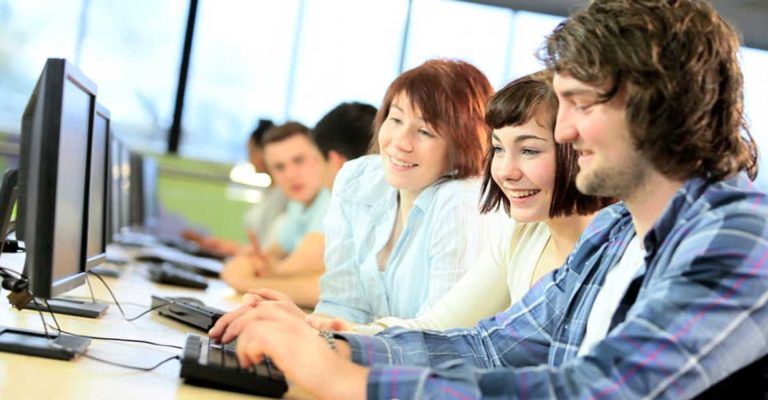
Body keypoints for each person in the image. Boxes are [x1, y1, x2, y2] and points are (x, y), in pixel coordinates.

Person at [209, 1, 768, 398]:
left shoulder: (742, 238)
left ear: (656, 104)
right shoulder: (615, 232)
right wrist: (328, 343)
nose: (565, 131)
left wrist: (344, 380)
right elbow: (490, 348)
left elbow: (597, 391)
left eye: (581, 104)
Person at [306, 73, 614, 334]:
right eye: (498, 149)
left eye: (529, 151)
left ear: (581, 149)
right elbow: (443, 329)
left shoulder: (616, 251)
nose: (506, 171)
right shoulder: (522, 236)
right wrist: (335, 332)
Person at [221, 102, 377, 308]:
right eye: (279, 167)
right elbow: (273, 258)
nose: (291, 175)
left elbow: (319, 275)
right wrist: (264, 266)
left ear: (325, 157)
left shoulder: (333, 197)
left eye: (299, 161)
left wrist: (249, 280)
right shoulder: (298, 205)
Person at [183, 119, 288, 257]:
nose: (249, 160)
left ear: (265, 152)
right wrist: (213, 243)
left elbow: (264, 252)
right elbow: (256, 248)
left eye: (251, 152)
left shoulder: (281, 195)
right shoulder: (270, 191)